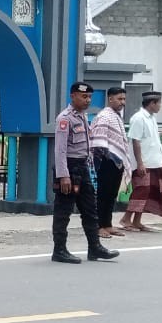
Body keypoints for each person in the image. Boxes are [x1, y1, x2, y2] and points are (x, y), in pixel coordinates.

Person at [51, 82, 119, 264]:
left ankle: (95, 248)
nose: (87, 100)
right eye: (84, 97)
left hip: (82, 169)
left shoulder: (83, 116)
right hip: (69, 169)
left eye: (89, 97)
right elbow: (60, 150)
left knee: (90, 210)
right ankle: (59, 250)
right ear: (73, 96)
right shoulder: (65, 118)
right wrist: (63, 175)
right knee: (63, 211)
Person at [120, 90, 162, 232]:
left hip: (155, 162)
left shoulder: (150, 118)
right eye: (159, 103)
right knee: (141, 190)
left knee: (150, 191)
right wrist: (140, 163)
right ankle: (126, 219)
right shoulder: (139, 118)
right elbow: (136, 141)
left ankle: (137, 221)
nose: (160, 106)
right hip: (144, 163)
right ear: (152, 103)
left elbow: (148, 137)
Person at [89, 87, 133, 239]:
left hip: (117, 162)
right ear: (110, 99)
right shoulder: (104, 116)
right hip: (105, 162)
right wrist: (106, 158)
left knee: (111, 195)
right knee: (102, 195)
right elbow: (98, 141)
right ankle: (98, 226)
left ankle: (107, 224)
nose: (123, 102)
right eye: (120, 99)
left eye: (124, 99)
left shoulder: (116, 117)